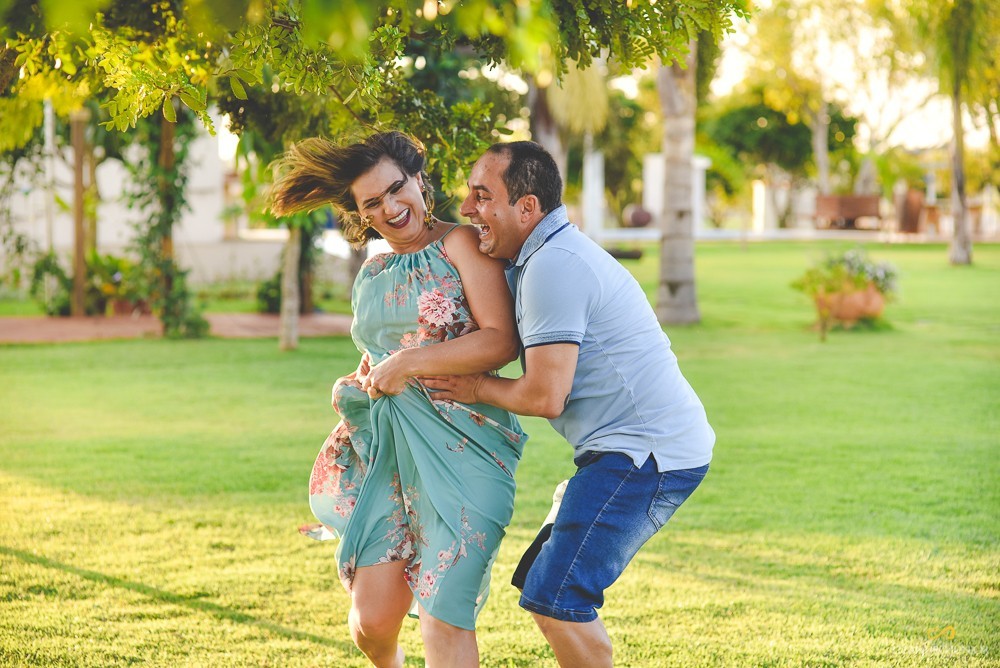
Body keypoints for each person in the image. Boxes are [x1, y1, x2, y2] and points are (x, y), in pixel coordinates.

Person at [422, 141, 714, 668]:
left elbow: (543, 394)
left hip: (647, 454)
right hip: (630, 450)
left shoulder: (553, 265)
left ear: (528, 207)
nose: (468, 209)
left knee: (558, 597)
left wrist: (474, 388)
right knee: (543, 584)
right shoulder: (540, 256)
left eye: (482, 196)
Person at [269, 132, 526, 668]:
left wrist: (407, 364)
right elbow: (381, 350)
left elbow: (501, 338)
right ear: (361, 216)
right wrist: (366, 375)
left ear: (419, 181)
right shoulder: (373, 271)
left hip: (466, 451)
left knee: (443, 615)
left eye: (395, 188)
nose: (390, 207)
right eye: (372, 203)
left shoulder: (459, 244)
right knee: (372, 624)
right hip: (389, 457)